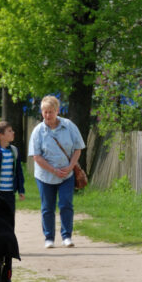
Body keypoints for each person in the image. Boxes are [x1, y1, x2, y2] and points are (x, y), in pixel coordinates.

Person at [29, 96, 84, 249]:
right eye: (45, 112)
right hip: (45, 175)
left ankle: (67, 236)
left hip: (67, 174)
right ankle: (49, 238)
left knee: (66, 204)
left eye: (51, 112)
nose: (47, 115)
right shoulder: (38, 131)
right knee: (47, 207)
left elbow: (78, 148)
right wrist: (53, 170)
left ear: (57, 111)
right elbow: (36, 156)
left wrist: (71, 166)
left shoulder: (69, 126)